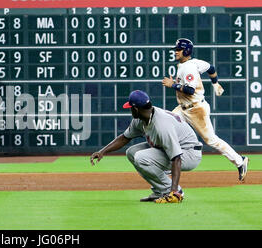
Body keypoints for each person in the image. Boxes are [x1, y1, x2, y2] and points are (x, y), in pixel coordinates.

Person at [90, 90, 203, 203]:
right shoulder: (141, 119)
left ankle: (173, 191)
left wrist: (174, 191)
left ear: (136, 109)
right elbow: (125, 138)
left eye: (130, 107)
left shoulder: (161, 125)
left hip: (189, 153)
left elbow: (176, 157)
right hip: (174, 150)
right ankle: (160, 191)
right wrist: (102, 151)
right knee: (132, 152)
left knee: (141, 157)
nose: (129, 110)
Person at [162, 38, 249, 181]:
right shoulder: (195, 63)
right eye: (176, 49)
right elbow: (211, 68)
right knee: (166, 126)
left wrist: (173, 85)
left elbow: (190, 90)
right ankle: (167, 165)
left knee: (211, 140)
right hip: (183, 109)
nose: (176, 52)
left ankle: (240, 161)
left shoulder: (189, 67)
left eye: (178, 49)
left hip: (195, 109)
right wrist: (215, 83)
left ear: (186, 51)